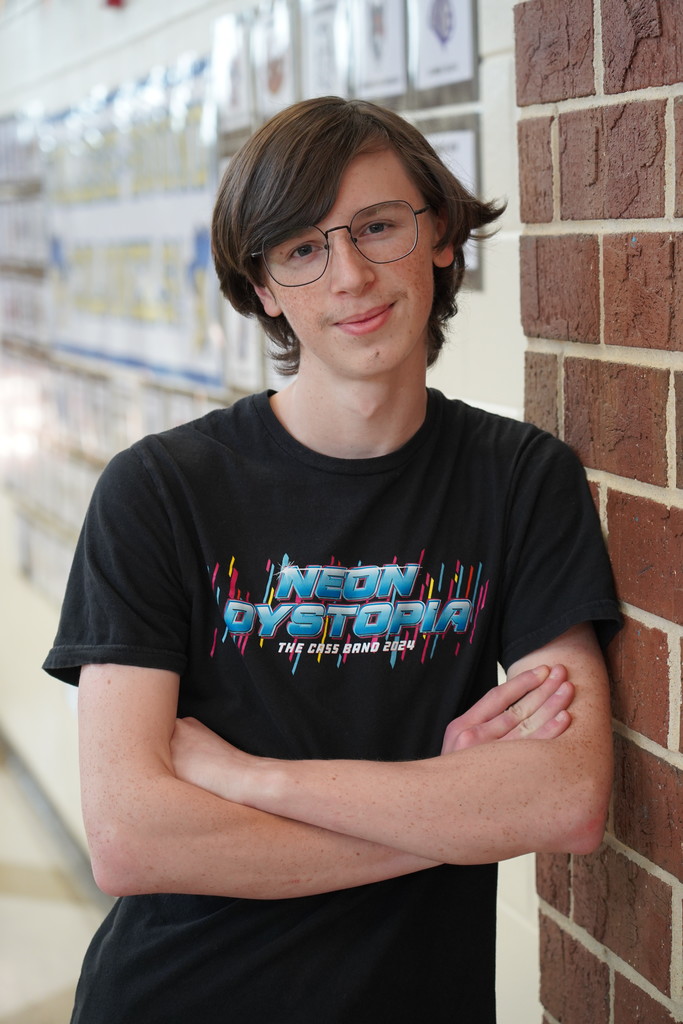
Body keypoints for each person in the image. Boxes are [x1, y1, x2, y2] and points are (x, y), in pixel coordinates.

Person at [44, 96, 621, 1023]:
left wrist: (249, 778)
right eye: (303, 248)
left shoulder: (519, 479)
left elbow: (563, 799)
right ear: (264, 286)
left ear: (438, 236)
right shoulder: (158, 491)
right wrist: (452, 817)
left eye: (378, 227)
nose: (349, 275)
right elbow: (132, 838)